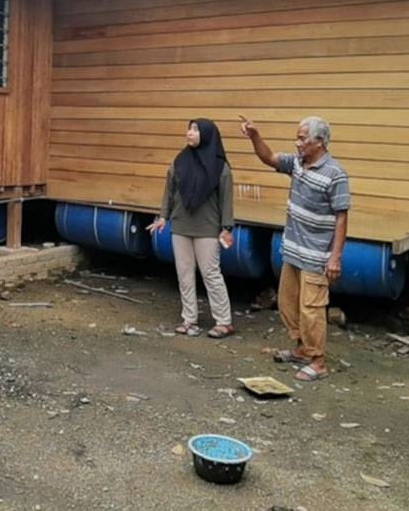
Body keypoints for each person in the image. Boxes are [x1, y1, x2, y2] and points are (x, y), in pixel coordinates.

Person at [240, 115, 350, 382]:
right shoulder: (297, 164)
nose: (297, 143)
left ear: (319, 142)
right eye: (297, 138)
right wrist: (255, 136)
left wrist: (335, 257)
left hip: (317, 256)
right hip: (293, 252)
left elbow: (341, 217)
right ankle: (302, 349)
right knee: (289, 304)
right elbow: (269, 158)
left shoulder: (335, 175)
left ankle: (318, 361)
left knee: (312, 309)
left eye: (302, 138)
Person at [147, 118, 235, 338]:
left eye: (195, 130)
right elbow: (170, 190)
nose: (190, 133)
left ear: (207, 134)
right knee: (184, 273)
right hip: (181, 224)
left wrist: (226, 227)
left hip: (207, 227)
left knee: (211, 273)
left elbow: (226, 199)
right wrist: (162, 217)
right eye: (189, 128)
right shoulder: (180, 160)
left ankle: (224, 321)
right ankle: (189, 319)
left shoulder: (220, 166)